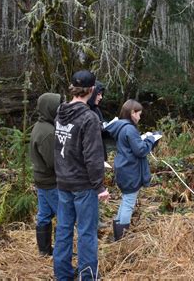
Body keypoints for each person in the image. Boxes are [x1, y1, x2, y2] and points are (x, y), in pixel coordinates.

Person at [53, 70, 110, 280]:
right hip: (83, 185)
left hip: (63, 182)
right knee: (87, 233)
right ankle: (87, 277)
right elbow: (93, 157)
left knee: (64, 231)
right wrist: (100, 187)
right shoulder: (89, 118)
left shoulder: (60, 111)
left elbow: (60, 147)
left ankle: (62, 275)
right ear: (92, 89)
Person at [105, 99, 157, 241]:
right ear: (132, 113)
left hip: (123, 168)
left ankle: (118, 234)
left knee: (125, 200)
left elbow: (131, 146)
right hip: (130, 170)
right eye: (139, 114)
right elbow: (140, 151)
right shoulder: (129, 129)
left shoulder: (120, 127)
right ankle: (121, 240)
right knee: (128, 203)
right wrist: (151, 140)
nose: (140, 117)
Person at [30, 92, 62, 256]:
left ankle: (44, 251)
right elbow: (53, 162)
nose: (59, 110)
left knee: (44, 215)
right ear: (50, 108)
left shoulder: (40, 125)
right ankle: (61, 253)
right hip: (50, 182)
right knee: (63, 217)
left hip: (42, 180)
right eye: (57, 107)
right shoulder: (48, 132)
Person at [87, 80, 108, 161]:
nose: (101, 97)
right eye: (98, 94)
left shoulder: (96, 110)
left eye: (102, 95)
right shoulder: (84, 111)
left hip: (100, 154)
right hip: (91, 157)